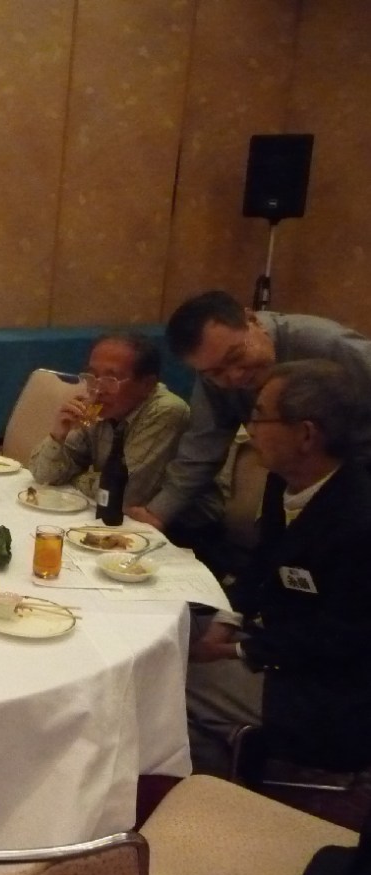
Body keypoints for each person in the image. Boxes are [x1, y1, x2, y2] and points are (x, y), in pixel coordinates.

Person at [185, 360, 371, 777]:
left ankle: (220, 789)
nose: (249, 428)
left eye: (260, 416)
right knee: (177, 629)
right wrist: (226, 622)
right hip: (280, 644)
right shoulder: (285, 480)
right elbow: (263, 564)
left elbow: (340, 639)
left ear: (306, 434)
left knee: (166, 678)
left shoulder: (359, 522)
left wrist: (237, 651)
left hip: (329, 692)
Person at [127, 290, 371, 534]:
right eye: (216, 372)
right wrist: (157, 513)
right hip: (288, 476)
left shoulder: (328, 345)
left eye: (236, 356)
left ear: (252, 320)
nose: (234, 375)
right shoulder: (211, 374)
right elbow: (203, 446)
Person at [27, 332, 203, 514]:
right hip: (114, 516)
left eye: (111, 379)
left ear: (147, 385)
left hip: (177, 525)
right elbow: (45, 476)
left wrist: (75, 477)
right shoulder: (99, 408)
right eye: (92, 376)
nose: (97, 389)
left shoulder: (166, 411)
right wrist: (58, 435)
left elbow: (125, 495)